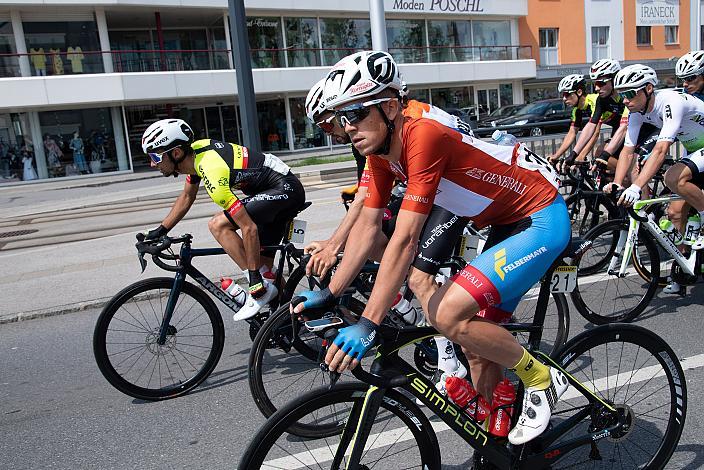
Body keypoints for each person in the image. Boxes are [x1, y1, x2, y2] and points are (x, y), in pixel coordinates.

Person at [293, 50, 571, 445]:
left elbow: (405, 240)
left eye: (354, 114)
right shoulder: (379, 153)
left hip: (540, 216)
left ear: (389, 107)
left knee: (446, 313)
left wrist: (369, 324)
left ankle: (541, 377)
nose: (345, 127)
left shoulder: (421, 134)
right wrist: (330, 292)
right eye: (340, 118)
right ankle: (499, 437)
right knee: (475, 346)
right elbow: (368, 230)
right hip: (501, 222)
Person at [303, 75, 473, 391]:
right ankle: (406, 301)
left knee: (418, 275)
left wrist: (333, 247)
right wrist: (333, 261)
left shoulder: (404, 127)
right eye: (333, 123)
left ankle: (449, 360)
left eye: (331, 124)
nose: (338, 130)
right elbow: (367, 205)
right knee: (378, 242)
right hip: (430, 188)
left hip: (455, 194)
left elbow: (380, 212)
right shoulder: (368, 134)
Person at [141, 119, 306, 320]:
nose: (152, 163)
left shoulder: (211, 169)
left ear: (176, 153)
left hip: (284, 189)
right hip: (272, 190)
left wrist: (254, 281)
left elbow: (249, 228)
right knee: (265, 269)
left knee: (218, 225)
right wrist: (160, 230)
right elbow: (187, 197)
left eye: (155, 156)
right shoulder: (195, 156)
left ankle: (259, 289)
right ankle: (296, 317)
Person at [608, 64, 704, 292]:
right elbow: (627, 151)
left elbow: (661, 151)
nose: (624, 100)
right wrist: (618, 182)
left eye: (629, 94)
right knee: (673, 213)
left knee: (672, 177)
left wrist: (637, 186)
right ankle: (684, 271)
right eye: (621, 95)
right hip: (695, 151)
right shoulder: (636, 112)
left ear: (648, 89)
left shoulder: (670, 101)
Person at [564, 59, 629, 172]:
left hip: (639, 133)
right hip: (619, 133)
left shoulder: (627, 97)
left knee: (630, 169)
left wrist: (605, 155)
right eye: (595, 84)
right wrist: (574, 153)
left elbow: (624, 128)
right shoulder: (601, 100)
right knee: (601, 157)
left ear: (615, 80)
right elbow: (590, 126)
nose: (596, 88)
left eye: (601, 83)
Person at [549, 74, 597, 163]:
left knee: (600, 153)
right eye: (563, 95)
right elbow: (572, 133)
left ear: (579, 92)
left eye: (567, 94)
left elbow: (595, 132)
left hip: (624, 129)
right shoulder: (576, 110)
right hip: (617, 130)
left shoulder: (594, 101)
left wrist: (581, 156)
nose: (564, 98)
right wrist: (556, 156)